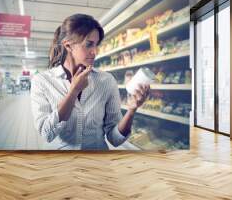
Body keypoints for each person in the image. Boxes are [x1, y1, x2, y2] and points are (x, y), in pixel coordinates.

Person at [30, 14, 149, 150]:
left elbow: (114, 138)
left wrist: (132, 110)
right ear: (68, 46)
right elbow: (46, 133)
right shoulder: (42, 81)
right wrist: (73, 92)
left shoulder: (106, 81)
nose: (95, 51)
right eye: (89, 44)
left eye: (96, 44)